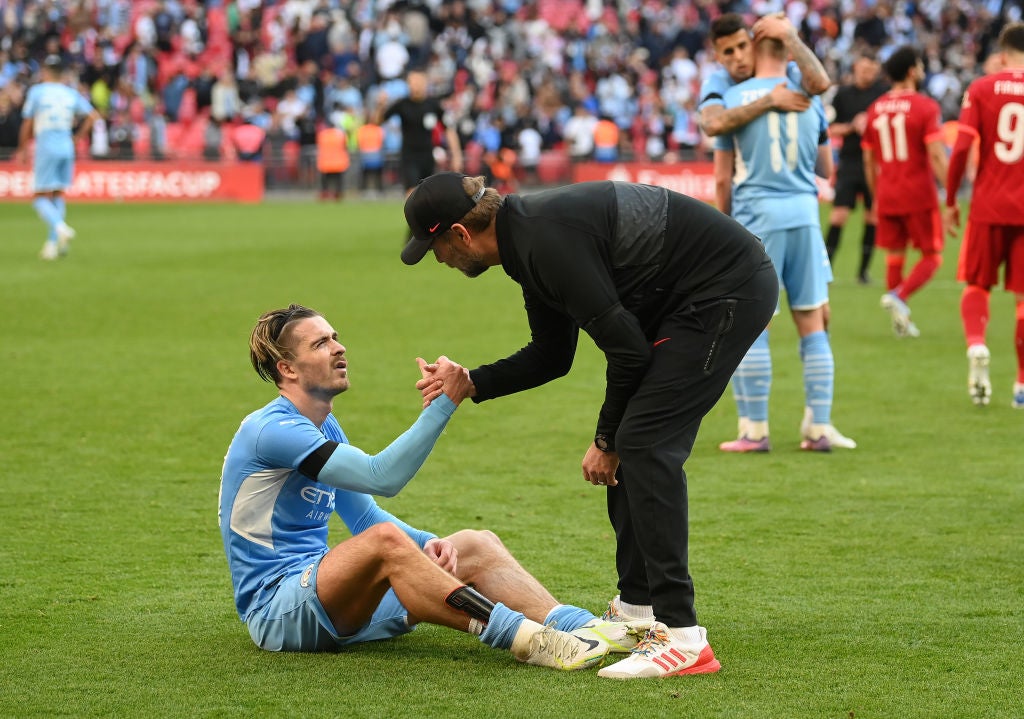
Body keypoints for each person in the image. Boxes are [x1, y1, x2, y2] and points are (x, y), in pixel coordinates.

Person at [400, 172, 780, 679]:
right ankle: (638, 611)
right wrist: (471, 381)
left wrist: (606, 440)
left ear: (461, 235)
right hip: (686, 296)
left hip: (724, 289)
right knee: (636, 439)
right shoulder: (524, 243)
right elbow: (552, 356)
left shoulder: (543, 243)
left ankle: (684, 638)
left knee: (642, 443)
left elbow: (627, 350)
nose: (439, 259)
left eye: (435, 247)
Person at [219, 304, 643, 666]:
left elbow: (362, 513)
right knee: (386, 542)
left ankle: (584, 628)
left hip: (330, 601)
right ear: (287, 368)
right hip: (278, 611)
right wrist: (445, 402)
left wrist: (427, 544)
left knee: (474, 544)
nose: (339, 347)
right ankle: (532, 641)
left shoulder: (322, 423)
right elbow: (380, 478)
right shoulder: (271, 430)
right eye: (321, 343)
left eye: (335, 337)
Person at [713, 34, 852, 453]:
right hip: (805, 217)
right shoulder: (811, 100)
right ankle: (819, 428)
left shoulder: (734, 100)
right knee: (812, 323)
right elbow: (827, 169)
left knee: (754, 326)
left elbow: (722, 178)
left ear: (755, 51)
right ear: (789, 54)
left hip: (758, 217)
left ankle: (754, 431)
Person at [945, 22, 1024, 408]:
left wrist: (950, 198)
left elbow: (960, 148)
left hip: (989, 205)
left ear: (1003, 51)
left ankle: (977, 344)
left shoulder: (981, 87)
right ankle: (1022, 385)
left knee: (977, 285)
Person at [861, 46, 949, 339]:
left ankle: (900, 320)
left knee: (894, 257)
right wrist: (950, 193)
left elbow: (869, 160)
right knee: (932, 256)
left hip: (888, 192)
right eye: (921, 66)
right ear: (912, 71)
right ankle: (900, 296)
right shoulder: (925, 107)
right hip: (918, 192)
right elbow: (936, 155)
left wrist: (875, 197)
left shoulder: (875, 108)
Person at [16, 55, 99, 261]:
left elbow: (28, 122)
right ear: (62, 73)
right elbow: (92, 116)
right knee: (58, 194)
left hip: (46, 147)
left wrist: (23, 148)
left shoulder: (37, 92)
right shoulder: (70, 93)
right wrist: (77, 137)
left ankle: (60, 227)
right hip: (66, 148)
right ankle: (53, 244)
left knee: (39, 198)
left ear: (45, 72)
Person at [698, 13, 831, 139]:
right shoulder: (717, 81)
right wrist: (769, 101)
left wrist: (789, 37)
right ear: (718, 58)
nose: (738, 57)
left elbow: (821, 84)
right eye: (728, 52)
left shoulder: (787, 70)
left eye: (742, 46)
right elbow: (712, 125)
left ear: (753, 44)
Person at [824, 51, 888, 284]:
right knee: (839, 215)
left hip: (875, 163)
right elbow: (830, 128)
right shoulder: (842, 94)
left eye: (871, 70)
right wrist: (852, 126)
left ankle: (863, 273)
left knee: (872, 217)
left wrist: (871, 126)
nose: (867, 74)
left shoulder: (882, 95)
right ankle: (826, 269)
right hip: (850, 162)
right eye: (863, 70)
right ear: (855, 70)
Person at [376, 70, 463, 205]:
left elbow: (449, 129)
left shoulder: (433, 105)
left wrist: (457, 155)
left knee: (428, 193)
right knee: (412, 191)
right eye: (411, 82)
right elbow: (378, 121)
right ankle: (413, 224)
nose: (414, 85)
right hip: (409, 155)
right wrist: (381, 106)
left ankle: (423, 225)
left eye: (418, 82)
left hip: (428, 155)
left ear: (425, 83)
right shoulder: (402, 104)